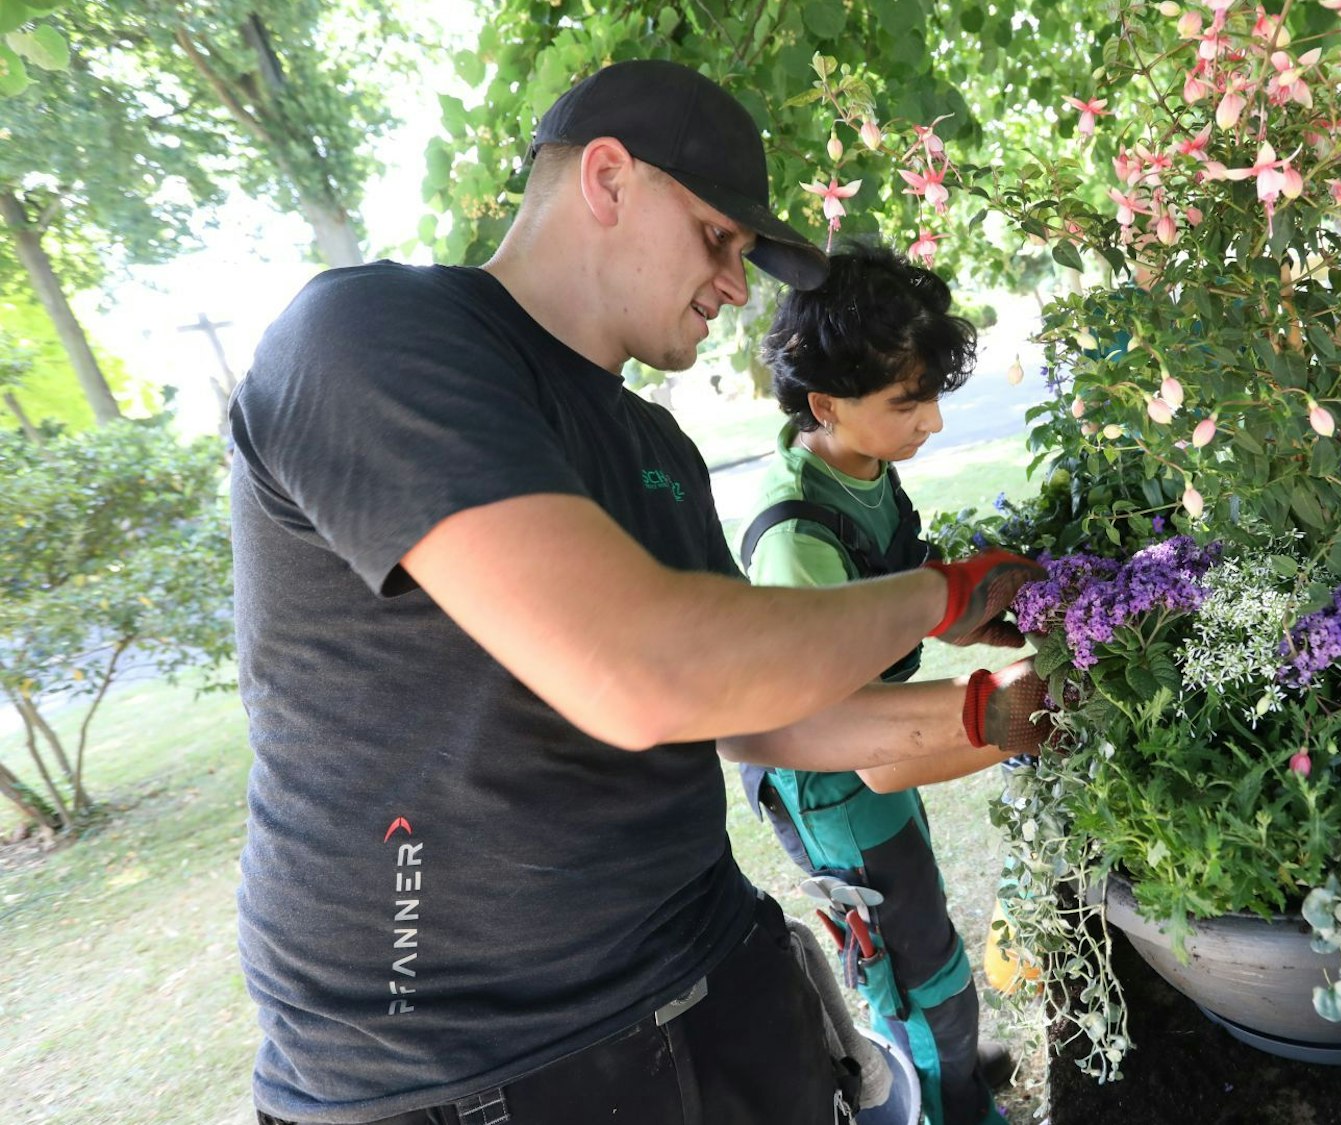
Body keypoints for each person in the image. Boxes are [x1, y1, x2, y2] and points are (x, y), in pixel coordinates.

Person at [228, 59, 1048, 1125]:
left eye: (746, 256)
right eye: (717, 238)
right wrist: (935, 596)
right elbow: (643, 670)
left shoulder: (654, 442)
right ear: (607, 179)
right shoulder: (372, 339)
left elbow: (753, 709)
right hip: (461, 1064)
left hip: (712, 969)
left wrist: (997, 715)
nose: (733, 285)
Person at [737, 245, 1014, 1125]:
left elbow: (895, 595)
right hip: (832, 779)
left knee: (923, 939)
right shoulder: (795, 534)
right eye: (908, 401)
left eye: (932, 392)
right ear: (825, 404)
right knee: (919, 976)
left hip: (866, 753)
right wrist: (1018, 710)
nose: (931, 421)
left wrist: (995, 605)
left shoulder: (858, 467)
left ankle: (953, 1070)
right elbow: (864, 740)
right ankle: (946, 1096)